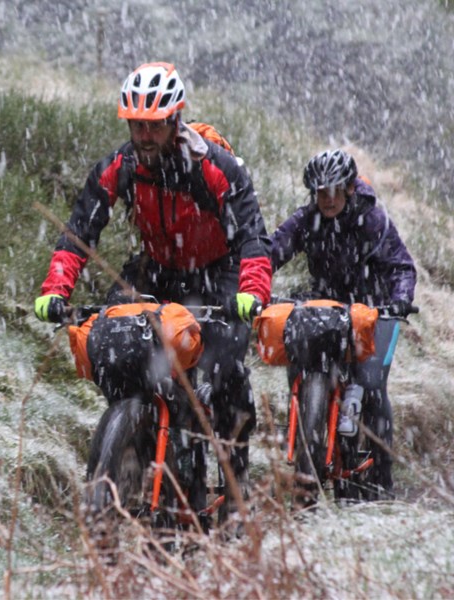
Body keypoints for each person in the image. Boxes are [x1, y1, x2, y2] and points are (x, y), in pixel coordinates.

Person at [33, 62, 273, 506]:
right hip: (156, 271)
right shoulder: (119, 167)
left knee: (221, 373)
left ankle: (232, 486)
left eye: (154, 126)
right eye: (136, 125)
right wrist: (56, 290)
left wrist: (251, 292)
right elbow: (77, 234)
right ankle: (136, 439)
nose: (144, 136)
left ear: (174, 120)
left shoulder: (214, 168)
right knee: (113, 343)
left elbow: (253, 238)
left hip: (217, 274)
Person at [270, 148, 417, 497]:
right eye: (321, 192)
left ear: (350, 188)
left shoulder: (373, 219)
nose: (329, 199)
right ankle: (308, 442)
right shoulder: (307, 219)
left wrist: (399, 300)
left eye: (335, 190)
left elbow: (401, 266)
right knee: (301, 361)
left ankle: (381, 477)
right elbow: (273, 248)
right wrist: (253, 283)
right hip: (327, 306)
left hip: (376, 310)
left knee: (370, 382)